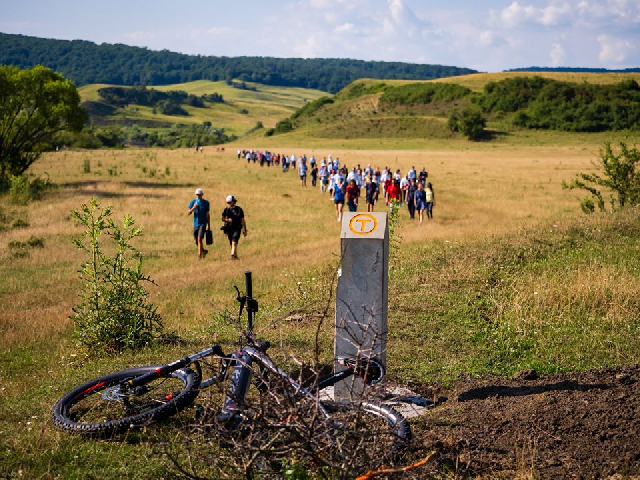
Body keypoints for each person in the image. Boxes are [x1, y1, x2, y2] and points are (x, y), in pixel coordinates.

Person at [221, 195, 247, 260]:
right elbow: (222, 218)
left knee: (234, 241)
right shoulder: (226, 210)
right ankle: (235, 255)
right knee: (231, 242)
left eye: (230, 202)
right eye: (228, 203)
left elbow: (242, 220)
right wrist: (227, 220)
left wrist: (245, 229)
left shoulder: (239, 209)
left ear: (233, 201)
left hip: (237, 228)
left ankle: (232, 255)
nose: (229, 204)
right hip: (229, 228)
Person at [187, 188, 210, 259]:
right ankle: (203, 251)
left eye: (199, 195)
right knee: (195, 240)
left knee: (199, 239)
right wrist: (193, 208)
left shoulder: (206, 203)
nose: (198, 196)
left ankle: (199, 255)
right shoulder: (193, 202)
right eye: (197, 195)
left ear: (202, 195)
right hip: (196, 223)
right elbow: (188, 212)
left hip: (203, 223)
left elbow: (207, 214)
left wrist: (209, 225)